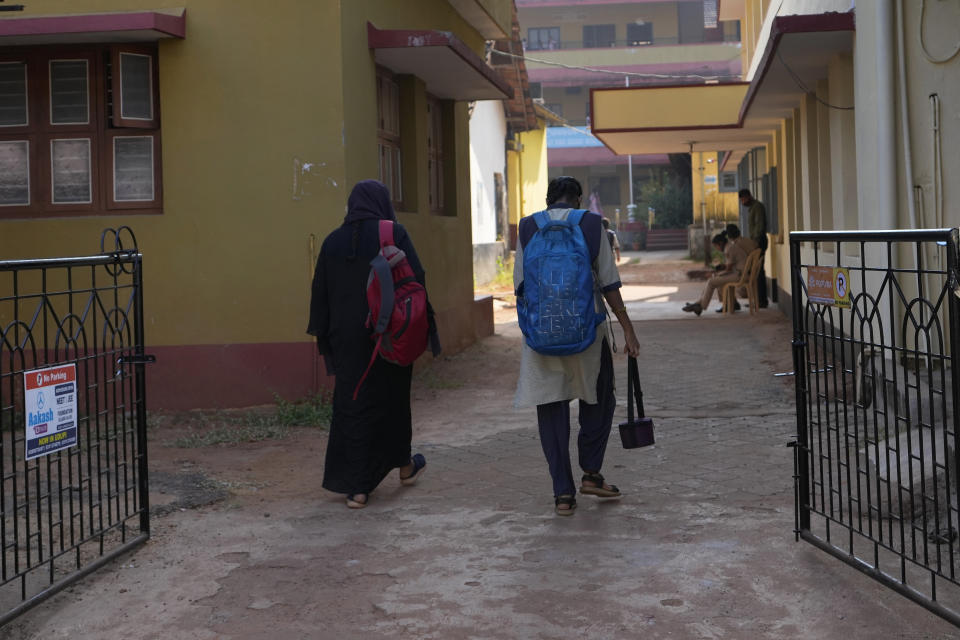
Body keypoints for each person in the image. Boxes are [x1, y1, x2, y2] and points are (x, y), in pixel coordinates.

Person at [514, 176, 640, 516]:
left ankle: (563, 495)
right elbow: (609, 282)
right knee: (599, 399)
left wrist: (533, 329)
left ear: (548, 199)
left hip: (542, 338)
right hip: (588, 334)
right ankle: (591, 473)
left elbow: (520, 286)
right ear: (578, 200)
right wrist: (628, 330)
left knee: (551, 410)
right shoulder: (591, 224)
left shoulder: (527, 227)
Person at [307, 180, 438, 509]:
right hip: (390, 334)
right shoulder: (393, 233)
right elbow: (416, 280)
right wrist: (423, 327)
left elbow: (319, 293)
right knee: (394, 402)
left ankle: (358, 489)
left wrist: (324, 339)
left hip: (346, 339)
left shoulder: (332, 241)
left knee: (353, 406)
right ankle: (404, 467)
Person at [682, 231, 748, 316]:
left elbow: (728, 269)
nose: (716, 249)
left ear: (720, 243)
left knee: (711, 281)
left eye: (716, 246)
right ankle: (731, 304)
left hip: (740, 275)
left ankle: (700, 306)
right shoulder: (730, 246)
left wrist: (715, 274)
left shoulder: (729, 249)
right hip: (739, 272)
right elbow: (730, 265)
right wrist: (719, 269)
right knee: (716, 280)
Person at [739, 189, 769, 307]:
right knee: (757, 271)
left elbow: (759, 225)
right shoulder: (753, 208)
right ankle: (758, 300)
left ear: (748, 196)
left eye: (743, 199)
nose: (742, 202)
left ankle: (761, 301)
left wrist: (755, 242)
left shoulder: (757, 207)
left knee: (758, 272)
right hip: (756, 241)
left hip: (759, 241)